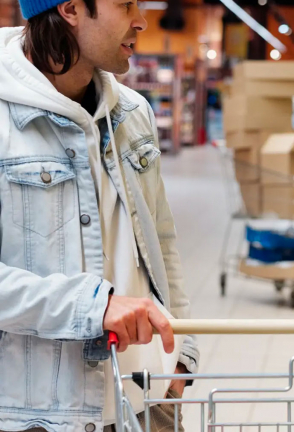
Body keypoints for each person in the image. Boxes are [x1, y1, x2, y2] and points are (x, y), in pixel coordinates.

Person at [0, 0, 199, 430]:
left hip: (149, 401)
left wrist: (182, 353)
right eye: (126, 4)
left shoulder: (133, 113)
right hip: (45, 416)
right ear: (71, 9)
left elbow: (162, 241)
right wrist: (92, 306)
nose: (142, 21)